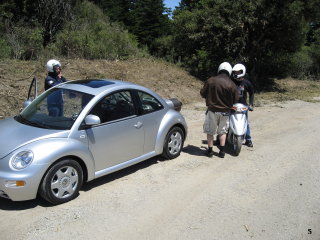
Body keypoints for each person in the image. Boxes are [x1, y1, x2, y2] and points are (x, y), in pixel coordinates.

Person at [200, 62, 238, 158]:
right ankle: (222, 152)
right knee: (223, 132)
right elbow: (236, 99)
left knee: (210, 131)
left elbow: (202, 93)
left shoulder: (211, 80)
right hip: (225, 112)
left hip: (212, 110)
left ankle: (210, 151)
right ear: (229, 71)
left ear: (219, 69)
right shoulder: (232, 84)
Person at [231, 63, 254, 147]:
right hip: (232, 106)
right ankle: (221, 139)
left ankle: (248, 139)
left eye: (237, 72)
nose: (235, 74)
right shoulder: (231, 82)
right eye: (235, 72)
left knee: (245, 123)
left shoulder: (246, 83)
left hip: (243, 106)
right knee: (227, 122)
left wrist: (251, 104)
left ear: (242, 72)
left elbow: (251, 93)